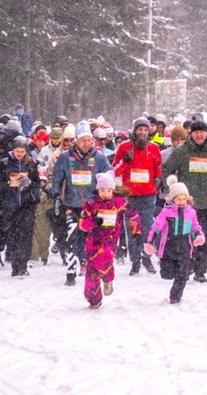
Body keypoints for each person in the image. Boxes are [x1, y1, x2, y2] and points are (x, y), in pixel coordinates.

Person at [164, 119, 207, 283]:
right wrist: (172, 188)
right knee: (184, 237)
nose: (198, 135)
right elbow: (166, 169)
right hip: (185, 203)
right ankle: (185, 266)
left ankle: (201, 269)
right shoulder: (182, 151)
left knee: (205, 237)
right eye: (195, 132)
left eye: (201, 132)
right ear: (191, 134)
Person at [49, 122, 113, 286]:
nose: (86, 143)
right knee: (71, 237)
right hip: (72, 204)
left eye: (89, 140)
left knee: (90, 238)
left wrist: (108, 186)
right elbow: (57, 178)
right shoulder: (65, 157)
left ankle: (88, 263)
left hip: (92, 206)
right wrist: (55, 191)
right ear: (76, 141)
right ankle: (70, 272)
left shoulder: (98, 157)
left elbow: (109, 173)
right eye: (83, 140)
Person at [79, 172, 139, 309]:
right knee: (91, 271)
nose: (105, 194)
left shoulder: (118, 202)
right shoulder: (91, 204)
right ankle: (93, 299)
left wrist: (137, 231)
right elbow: (82, 224)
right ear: (97, 190)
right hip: (93, 241)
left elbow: (133, 214)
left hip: (110, 239)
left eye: (108, 191)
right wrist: (93, 221)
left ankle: (107, 278)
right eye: (102, 190)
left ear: (113, 190)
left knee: (104, 258)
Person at [114, 117, 163, 276]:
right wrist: (125, 161)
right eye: (140, 129)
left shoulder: (155, 148)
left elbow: (158, 170)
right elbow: (114, 170)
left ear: (149, 131)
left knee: (148, 228)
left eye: (145, 130)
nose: (142, 132)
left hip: (148, 195)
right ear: (135, 130)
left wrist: (158, 181)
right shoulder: (124, 147)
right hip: (130, 196)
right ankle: (135, 261)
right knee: (132, 229)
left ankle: (147, 257)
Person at [145, 179, 205, 304]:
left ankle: (175, 297)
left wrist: (199, 236)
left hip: (184, 247)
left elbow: (195, 227)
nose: (182, 202)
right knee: (167, 274)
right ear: (173, 199)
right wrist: (149, 242)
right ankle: (168, 271)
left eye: (184, 198)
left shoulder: (191, 212)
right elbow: (156, 227)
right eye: (179, 199)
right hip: (168, 246)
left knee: (182, 276)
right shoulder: (166, 212)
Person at [0, 136, 41, 277]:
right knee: (13, 235)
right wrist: (7, 184)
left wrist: (30, 184)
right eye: (17, 151)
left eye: (22, 152)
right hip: (10, 205)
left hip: (27, 204)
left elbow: (37, 184)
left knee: (26, 236)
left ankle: (22, 265)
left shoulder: (32, 164)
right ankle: (14, 265)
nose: (19, 154)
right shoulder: (4, 163)